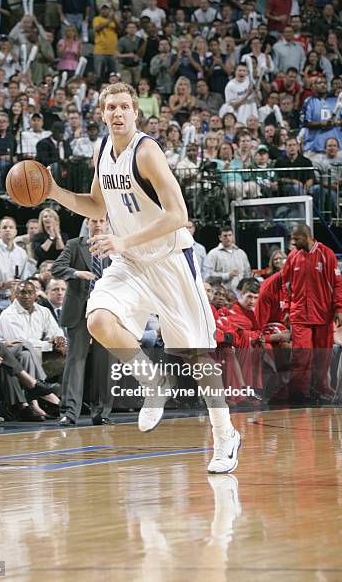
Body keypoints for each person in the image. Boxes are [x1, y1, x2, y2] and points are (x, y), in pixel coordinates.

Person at [45, 81, 240, 474]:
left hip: (169, 260)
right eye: (110, 107)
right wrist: (54, 190)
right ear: (101, 114)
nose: (116, 113)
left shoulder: (147, 152)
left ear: (136, 112)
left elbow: (178, 215)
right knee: (98, 319)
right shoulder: (102, 149)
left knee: (198, 354)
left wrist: (122, 240)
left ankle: (225, 434)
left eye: (123, 107)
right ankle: (152, 382)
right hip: (132, 261)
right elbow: (96, 204)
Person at [52, 217, 114, 426]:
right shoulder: (75, 245)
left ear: (106, 224)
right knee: (75, 362)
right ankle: (69, 413)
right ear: (87, 223)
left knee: (104, 363)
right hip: (79, 311)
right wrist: (76, 273)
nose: (97, 225)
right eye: (93, 221)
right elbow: (57, 267)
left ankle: (101, 412)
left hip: (105, 311)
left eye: (101, 221)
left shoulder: (114, 246)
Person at [282, 224, 342, 403]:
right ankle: (298, 394)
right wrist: (287, 308)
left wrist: (339, 308)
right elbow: (284, 285)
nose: (293, 242)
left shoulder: (327, 254)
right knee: (301, 355)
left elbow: (337, 284)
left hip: (323, 315)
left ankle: (319, 391)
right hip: (300, 316)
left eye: (296, 239)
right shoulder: (293, 257)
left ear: (307, 236)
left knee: (322, 356)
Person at [204, 226, 251, 291]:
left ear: (233, 236)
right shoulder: (213, 254)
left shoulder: (241, 253)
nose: (228, 238)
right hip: (222, 294)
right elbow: (208, 275)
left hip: (240, 293)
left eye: (230, 235)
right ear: (220, 237)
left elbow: (247, 274)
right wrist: (227, 275)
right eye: (225, 236)